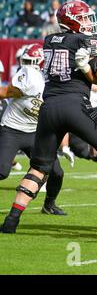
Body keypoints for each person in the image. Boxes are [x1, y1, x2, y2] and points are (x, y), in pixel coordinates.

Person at [0, 0, 97, 234]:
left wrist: (86, 69)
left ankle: (12, 219)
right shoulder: (87, 40)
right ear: (73, 20)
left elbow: (93, 77)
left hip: (48, 109)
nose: (89, 22)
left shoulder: (49, 40)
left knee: (38, 168)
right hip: (75, 105)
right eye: (85, 18)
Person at [0, 44, 66, 216]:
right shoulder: (30, 75)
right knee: (1, 171)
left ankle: (49, 205)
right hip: (12, 129)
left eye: (32, 61)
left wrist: (64, 144)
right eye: (26, 61)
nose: (27, 66)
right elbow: (5, 92)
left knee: (57, 172)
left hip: (36, 133)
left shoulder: (55, 81)